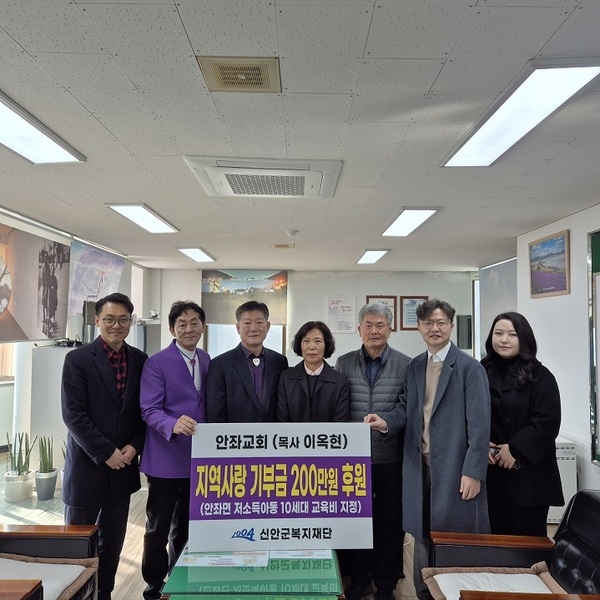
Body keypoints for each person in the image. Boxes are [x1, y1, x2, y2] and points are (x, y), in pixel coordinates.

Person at [365, 298, 491, 600]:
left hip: (454, 469)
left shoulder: (469, 368)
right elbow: (405, 408)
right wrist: (385, 422)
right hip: (417, 466)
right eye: (428, 323)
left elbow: (480, 425)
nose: (435, 328)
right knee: (420, 533)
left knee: (452, 537)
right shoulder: (416, 366)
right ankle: (424, 592)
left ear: (451, 326)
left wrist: (473, 471)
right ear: (419, 327)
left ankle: (454, 592)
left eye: (441, 323)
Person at [61, 292, 147, 600]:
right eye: (109, 319)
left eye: (123, 319)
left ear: (130, 322)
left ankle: (104, 593)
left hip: (123, 468)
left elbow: (143, 412)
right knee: (78, 544)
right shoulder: (78, 360)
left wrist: (135, 446)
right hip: (87, 468)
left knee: (112, 543)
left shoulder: (140, 360)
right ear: (97, 320)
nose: (116, 325)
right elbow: (73, 415)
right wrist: (106, 452)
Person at [335, 303, 410, 600]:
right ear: (359, 330)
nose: (374, 331)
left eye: (380, 325)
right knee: (357, 522)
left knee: (390, 524)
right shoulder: (343, 363)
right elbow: (338, 408)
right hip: (353, 461)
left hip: (390, 457)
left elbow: (407, 408)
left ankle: (386, 584)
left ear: (390, 329)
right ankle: (360, 578)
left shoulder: (406, 365)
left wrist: (387, 422)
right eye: (368, 325)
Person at [139, 300, 211, 599]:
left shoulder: (206, 359)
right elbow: (149, 409)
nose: (189, 329)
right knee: (158, 528)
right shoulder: (156, 363)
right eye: (182, 324)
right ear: (172, 329)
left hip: (199, 459)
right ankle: (153, 586)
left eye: (195, 323)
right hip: (166, 459)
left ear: (203, 327)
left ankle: (180, 578)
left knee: (187, 525)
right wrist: (172, 423)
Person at [481, 311, 563, 536]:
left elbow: (547, 421)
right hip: (492, 471)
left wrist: (514, 449)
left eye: (512, 334)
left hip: (529, 477)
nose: (504, 340)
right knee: (495, 539)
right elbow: (470, 414)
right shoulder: (480, 371)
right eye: (498, 333)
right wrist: (481, 444)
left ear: (524, 338)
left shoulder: (541, 376)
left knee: (528, 542)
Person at [207, 300, 288, 422]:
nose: (253, 328)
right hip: (236, 433)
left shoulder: (280, 361)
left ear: (268, 326)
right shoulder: (220, 364)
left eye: (259, 322)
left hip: (272, 432)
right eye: (247, 323)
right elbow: (215, 412)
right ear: (238, 328)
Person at [276, 320, 349, 422]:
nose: (311, 347)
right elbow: (282, 419)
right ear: (300, 345)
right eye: (306, 341)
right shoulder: (286, 378)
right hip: (292, 433)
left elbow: (340, 421)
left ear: (326, 345)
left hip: (329, 433)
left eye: (317, 341)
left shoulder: (340, 380)